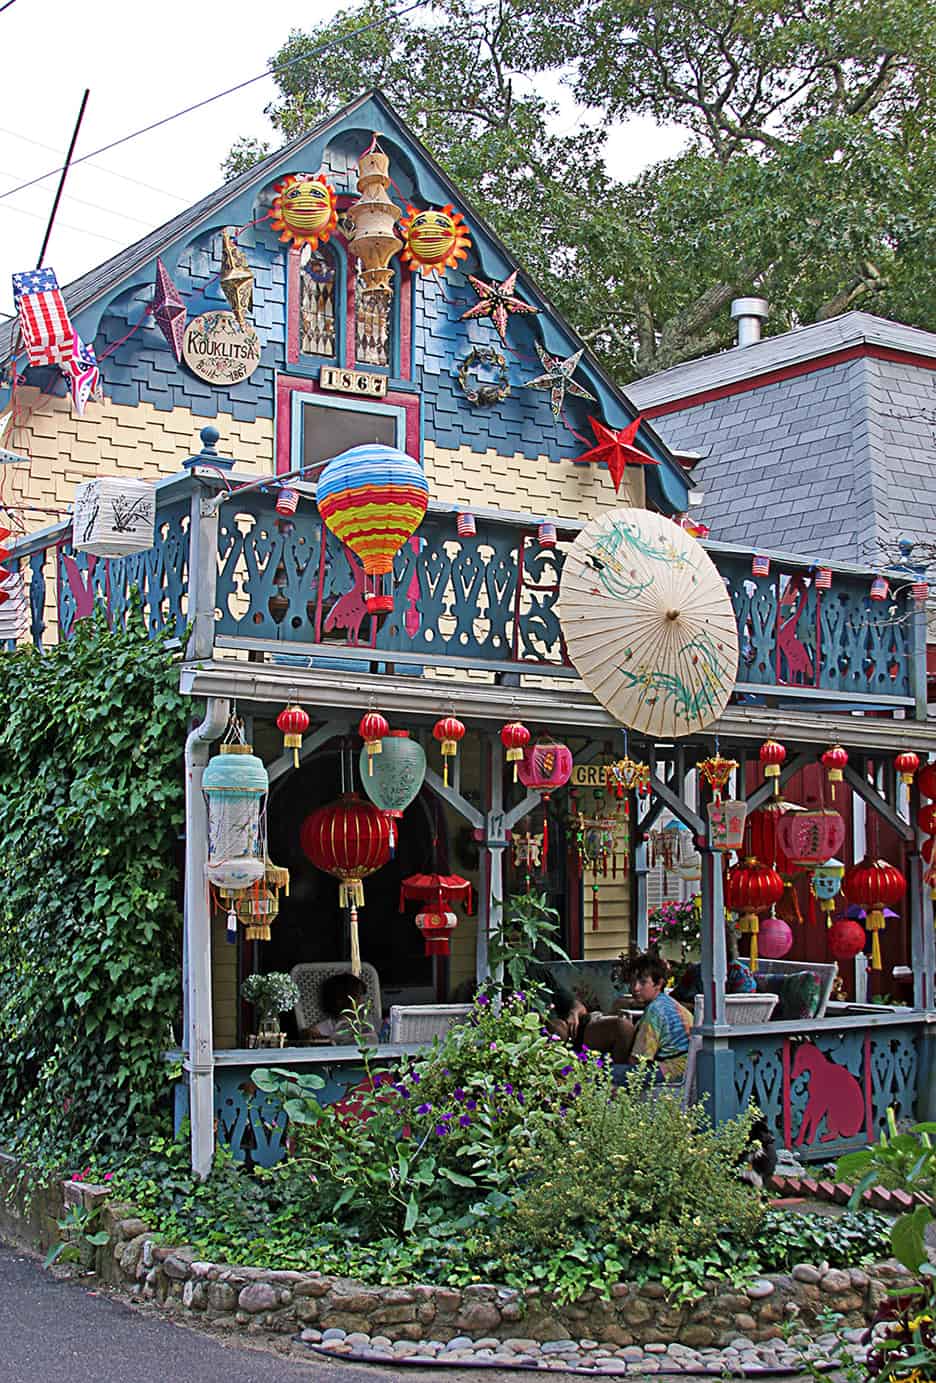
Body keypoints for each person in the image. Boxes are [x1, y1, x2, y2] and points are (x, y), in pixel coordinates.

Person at [611, 952, 693, 1084]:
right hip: (690, 1070)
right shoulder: (670, 1004)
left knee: (604, 1073)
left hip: (671, 1071)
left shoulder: (655, 1011)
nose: (635, 988)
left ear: (659, 984)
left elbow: (638, 1060)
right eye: (632, 982)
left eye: (643, 983)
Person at [309, 971, 377, 1044]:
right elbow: (310, 1033)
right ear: (340, 1001)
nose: (362, 1001)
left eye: (362, 997)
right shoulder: (333, 1023)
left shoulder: (369, 1019)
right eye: (357, 997)